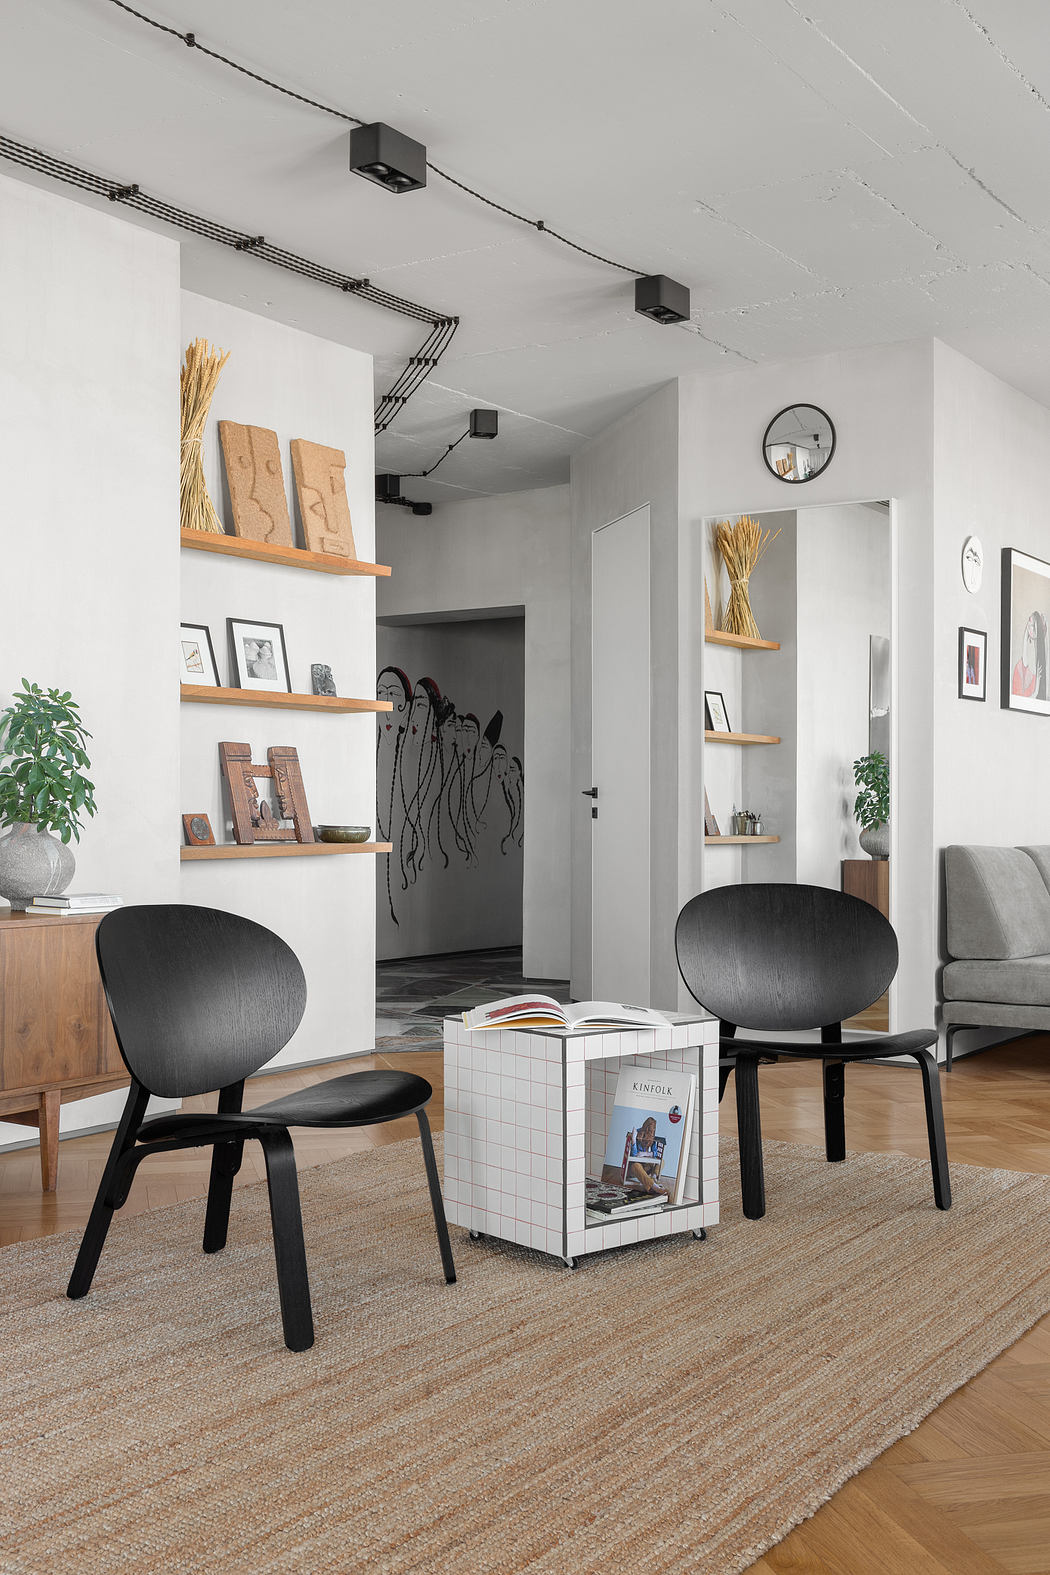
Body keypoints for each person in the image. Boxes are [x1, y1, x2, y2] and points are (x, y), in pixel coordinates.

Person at [623, 1115, 668, 1196]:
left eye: (653, 1130)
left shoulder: (652, 1136)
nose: (652, 1132)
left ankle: (653, 1177)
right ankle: (654, 1186)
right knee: (636, 1165)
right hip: (636, 1167)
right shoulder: (637, 1133)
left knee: (662, 1161)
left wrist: (645, 1154)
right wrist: (633, 1141)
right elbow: (634, 1155)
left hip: (646, 1166)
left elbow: (655, 1153)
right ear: (646, 1127)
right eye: (650, 1130)